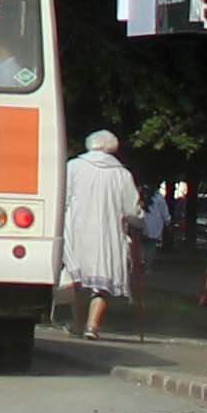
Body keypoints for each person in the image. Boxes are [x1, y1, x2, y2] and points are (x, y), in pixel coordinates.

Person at [60, 129, 145, 340]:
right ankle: (92, 326)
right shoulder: (122, 174)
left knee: (79, 280)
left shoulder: (73, 167)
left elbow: (63, 198)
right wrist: (139, 219)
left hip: (78, 229)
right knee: (102, 282)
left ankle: (78, 324)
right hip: (108, 233)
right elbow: (132, 210)